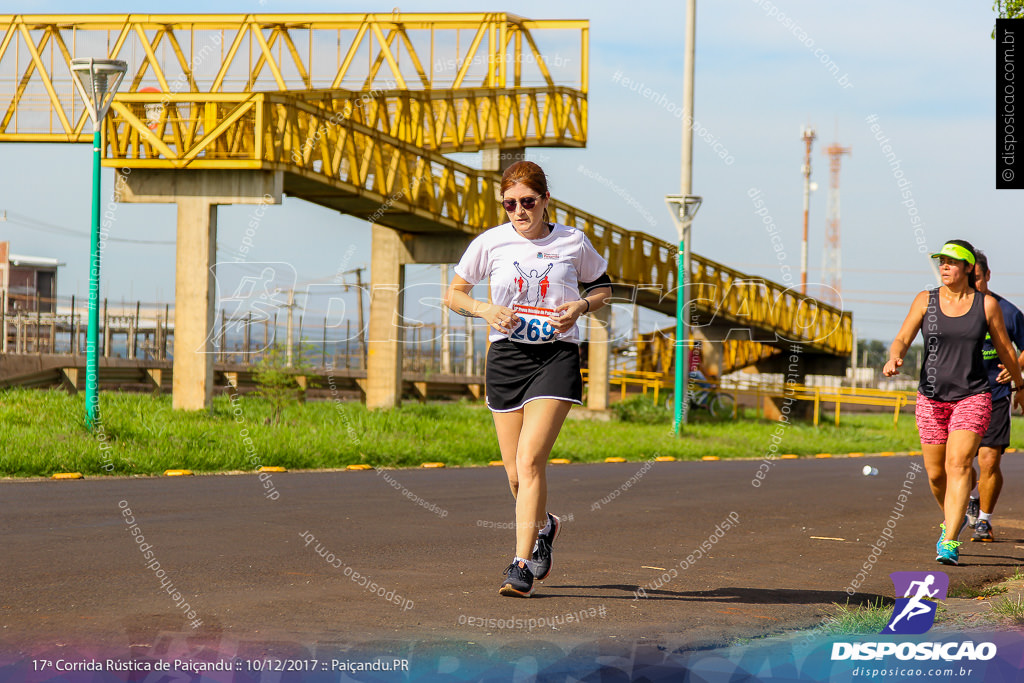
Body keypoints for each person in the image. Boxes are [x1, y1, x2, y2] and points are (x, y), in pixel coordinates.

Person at [444, 161, 612, 597]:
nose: (519, 211)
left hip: (556, 356)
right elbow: (454, 293)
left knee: (531, 460)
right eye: (510, 204)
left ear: (545, 201)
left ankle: (519, 566)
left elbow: (603, 288)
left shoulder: (572, 241)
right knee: (515, 475)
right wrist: (483, 309)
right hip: (506, 358)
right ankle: (545, 527)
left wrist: (581, 308)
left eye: (527, 202)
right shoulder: (491, 243)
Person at [883, 240, 1024, 566]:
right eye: (941, 262)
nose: (944, 267)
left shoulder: (986, 306)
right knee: (936, 475)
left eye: (951, 262)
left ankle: (949, 541)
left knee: (958, 464)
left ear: (968, 268)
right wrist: (895, 356)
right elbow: (903, 336)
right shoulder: (925, 300)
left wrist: (1020, 384)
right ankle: (954, 515)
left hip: (973, 395)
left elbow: (1005, 349)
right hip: (931, 397)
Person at [964, 251, 1024, 542]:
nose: (973, 284)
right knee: (959, 463)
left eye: (977, 277)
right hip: (959, 396)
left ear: (987, 275)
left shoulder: (1009, 312)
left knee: (989, 461)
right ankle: (969, 499)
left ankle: (984, 520)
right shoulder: (955, 309)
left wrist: (1016, 368)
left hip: (995, 394)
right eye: (968, 279)